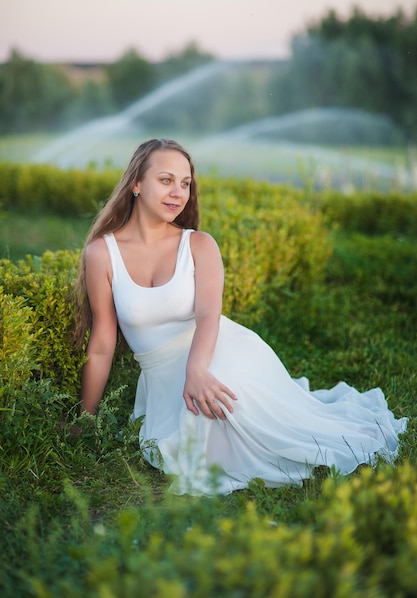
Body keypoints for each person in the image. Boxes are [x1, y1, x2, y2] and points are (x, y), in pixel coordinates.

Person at [74, 138, 407, 496]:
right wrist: (86, 417)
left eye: (185, 183)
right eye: (166, 180)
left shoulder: (199, 245)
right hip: (161, 375)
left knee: (225, 403)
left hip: (218, 350)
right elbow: (103, 343)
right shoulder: (102, 253)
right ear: (136, 183)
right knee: (198, 441)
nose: (178, 192)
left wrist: (197, 370)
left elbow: (208, 317)